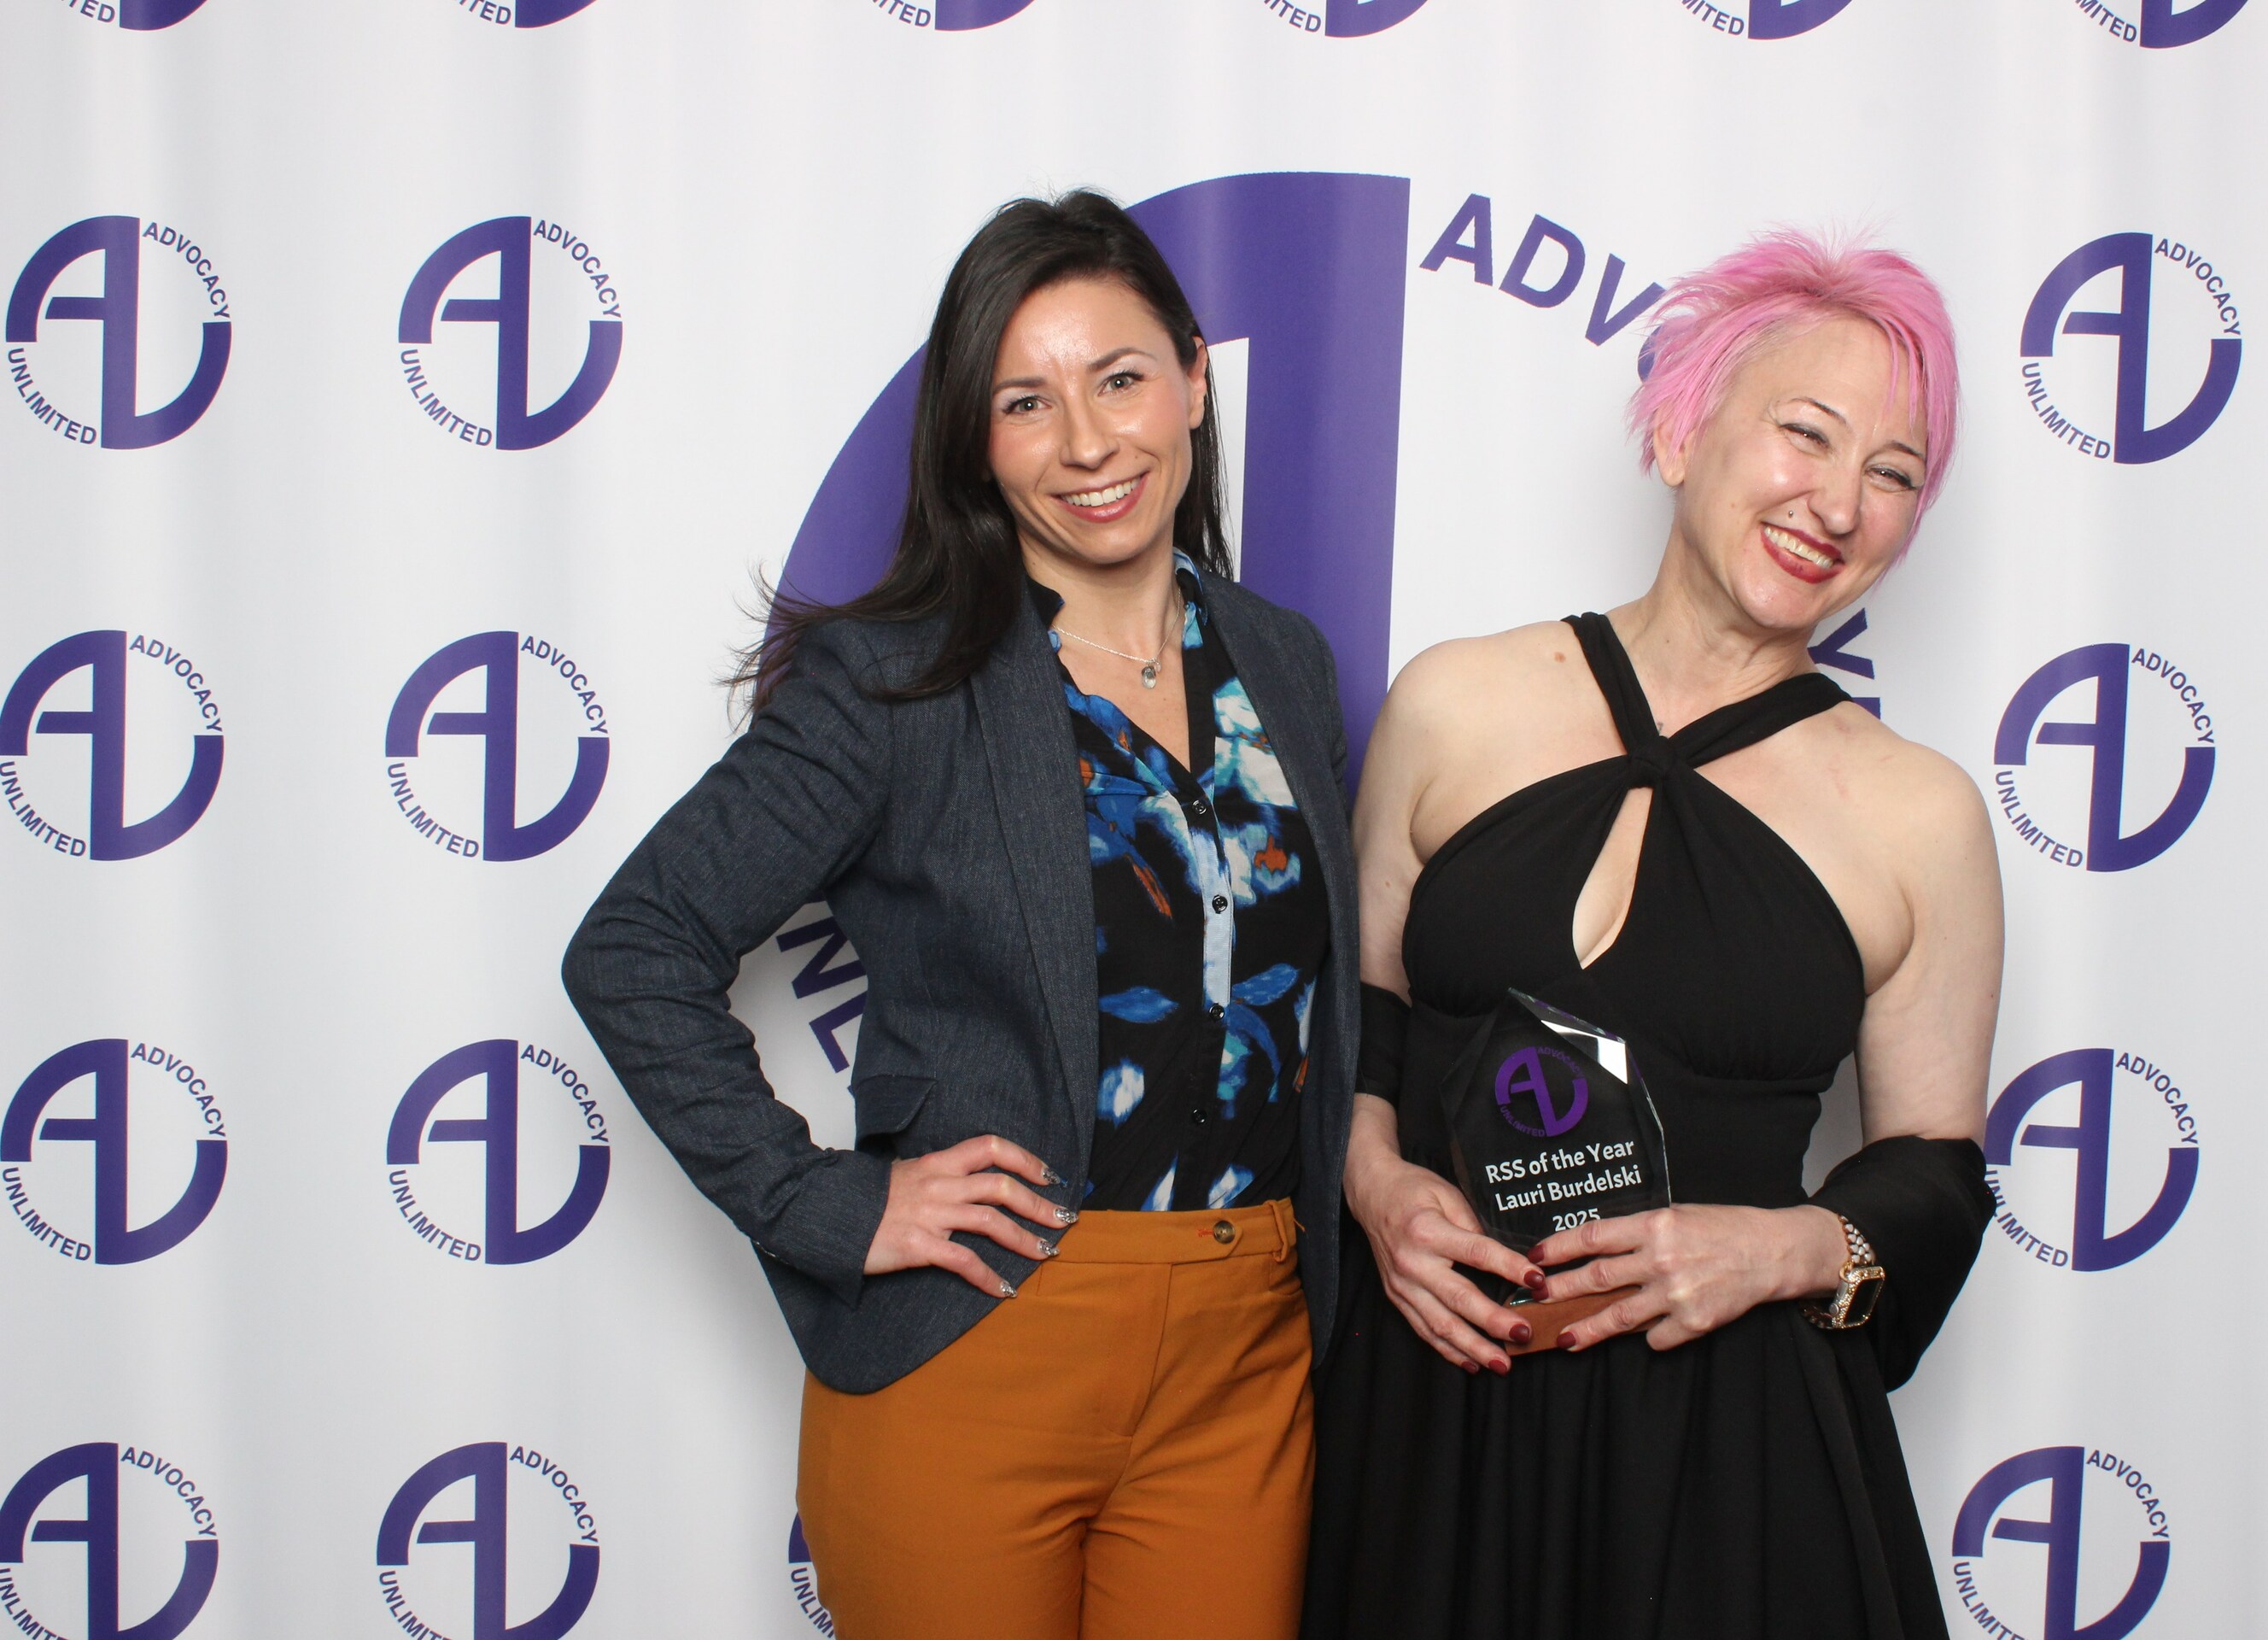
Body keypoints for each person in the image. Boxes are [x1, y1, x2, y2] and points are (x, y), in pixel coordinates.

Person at [563, 190, 1358, 1640]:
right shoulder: (896, 681)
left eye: (1121, 378)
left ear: (1194, 379)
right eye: (1025, 402)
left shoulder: (1284, 664)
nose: (1088, 442)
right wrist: (823, 1201)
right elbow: (635, 946)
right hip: (981, 1337)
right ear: (976, 444)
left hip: (1248, 1349)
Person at [1305, 231, 2002, 1640]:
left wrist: (1779, 1251)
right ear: (1683, 433)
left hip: (1725, 1450)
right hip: (1440, 1408)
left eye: (1893, 474)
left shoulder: (1921, 816)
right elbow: (1361, 1028)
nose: (1839, 504)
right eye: (1806, 434)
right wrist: (1376, 1188)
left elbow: (1933, 1174)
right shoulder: (1452, 703)